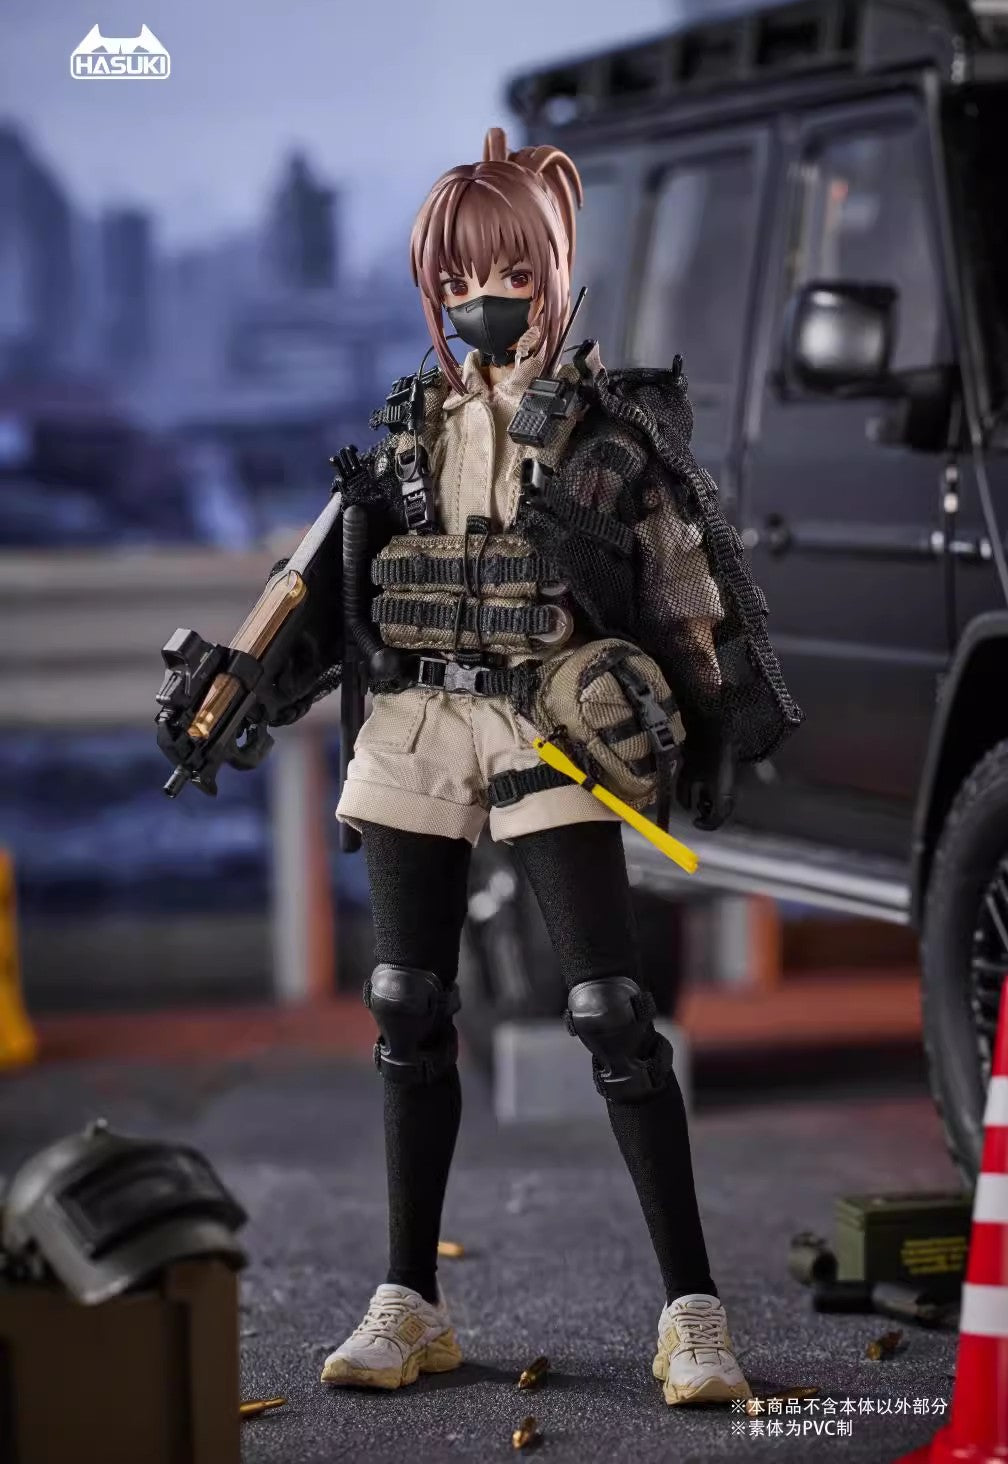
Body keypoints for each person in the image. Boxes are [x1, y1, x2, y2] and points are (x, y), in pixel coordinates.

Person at [319, 127, 800, 1406]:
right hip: (420, 719)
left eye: (515, 274)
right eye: (462, 278)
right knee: (405, 1003)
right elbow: (336, 588)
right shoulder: (410, 427)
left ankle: (693, 1315)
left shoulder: (604, 433)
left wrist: (715, 727)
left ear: (554, 271)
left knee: (610, 1013)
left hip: (550, 724)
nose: (488, 299)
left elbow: (689, 582)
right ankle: (409, 1300)